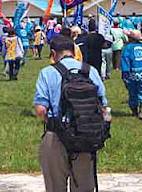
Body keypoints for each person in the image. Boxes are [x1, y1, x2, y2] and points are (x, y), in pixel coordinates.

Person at [33, 34, 109, 192]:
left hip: (56, 134)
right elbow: (104, 107)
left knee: (55, 187)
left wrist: (50, 122)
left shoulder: (47, 72)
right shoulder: (90, 71)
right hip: (85, 135)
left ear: (53, 53)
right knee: (83, 186)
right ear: (74, 51)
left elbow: (40, 110)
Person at [121, 30, 142, 119]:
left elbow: (125, 61)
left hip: (132, 74)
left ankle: (135, 112)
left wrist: (125, 74)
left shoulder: (127, 48)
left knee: (132, 93)